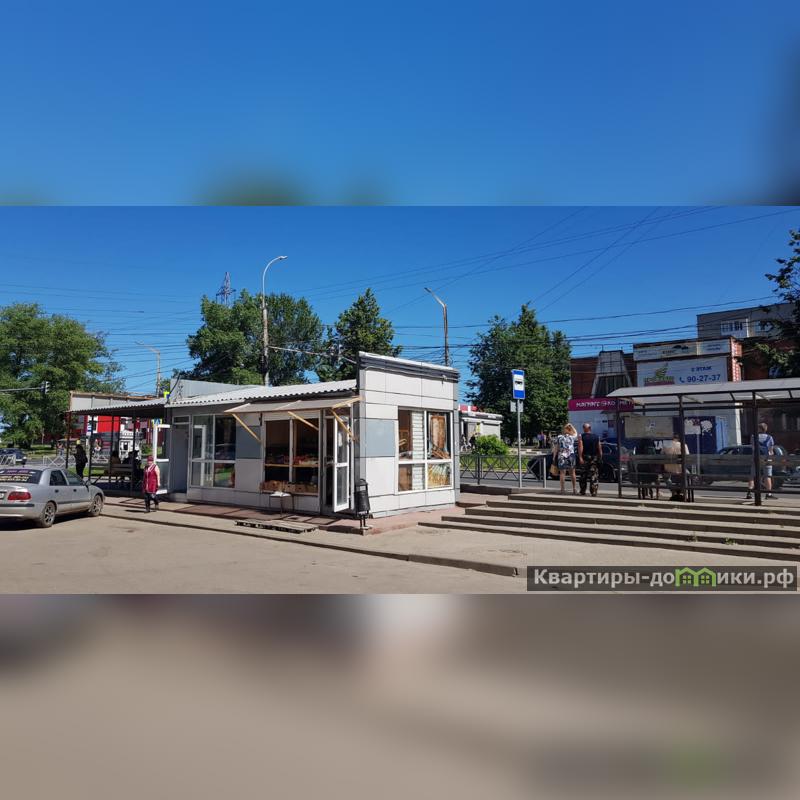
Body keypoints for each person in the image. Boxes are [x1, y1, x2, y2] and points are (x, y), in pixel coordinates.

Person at [747, 422, 775, 500]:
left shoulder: (753, 436)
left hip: (756, 459)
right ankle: (768, 494)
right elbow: (771, 451)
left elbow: (753, 448)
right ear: (766, 429)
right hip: (766, 459)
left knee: (752, 475)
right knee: (767, 476)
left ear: (758, 429)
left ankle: (749, 492)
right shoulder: (769, 437)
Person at [577, 423, 602, 496]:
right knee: (593, 475)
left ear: (584, 428)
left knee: (583, 475)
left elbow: (580, 446)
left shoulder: (581, 436)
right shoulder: (596, 437)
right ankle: (593, 491)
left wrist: (580, 457)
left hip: (585, 457)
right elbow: (599, 447)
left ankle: (582, 491)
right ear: (590, 428)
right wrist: (600, 457)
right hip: (594, 458)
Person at [662, 434, 689, 501]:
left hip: (668, 469)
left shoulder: (666, 446)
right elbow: (687, 456)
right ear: (678, 439)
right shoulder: (684, 445)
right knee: (688, 475)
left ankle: (673, 491)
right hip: (681, 469)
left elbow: (661, 455)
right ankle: (684, 493)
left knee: (665, 477)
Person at [553, 423, 578, 494]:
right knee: (572, 473)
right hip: (571, 455)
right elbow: (575, 432)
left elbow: (556, 448)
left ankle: (562, 489)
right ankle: (574, 489)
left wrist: (554, 457)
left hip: (562, 456)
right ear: (570, 430)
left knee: (562, 473)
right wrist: (571, 425)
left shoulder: (559, 437)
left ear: (564, 430)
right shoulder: (572, 437)